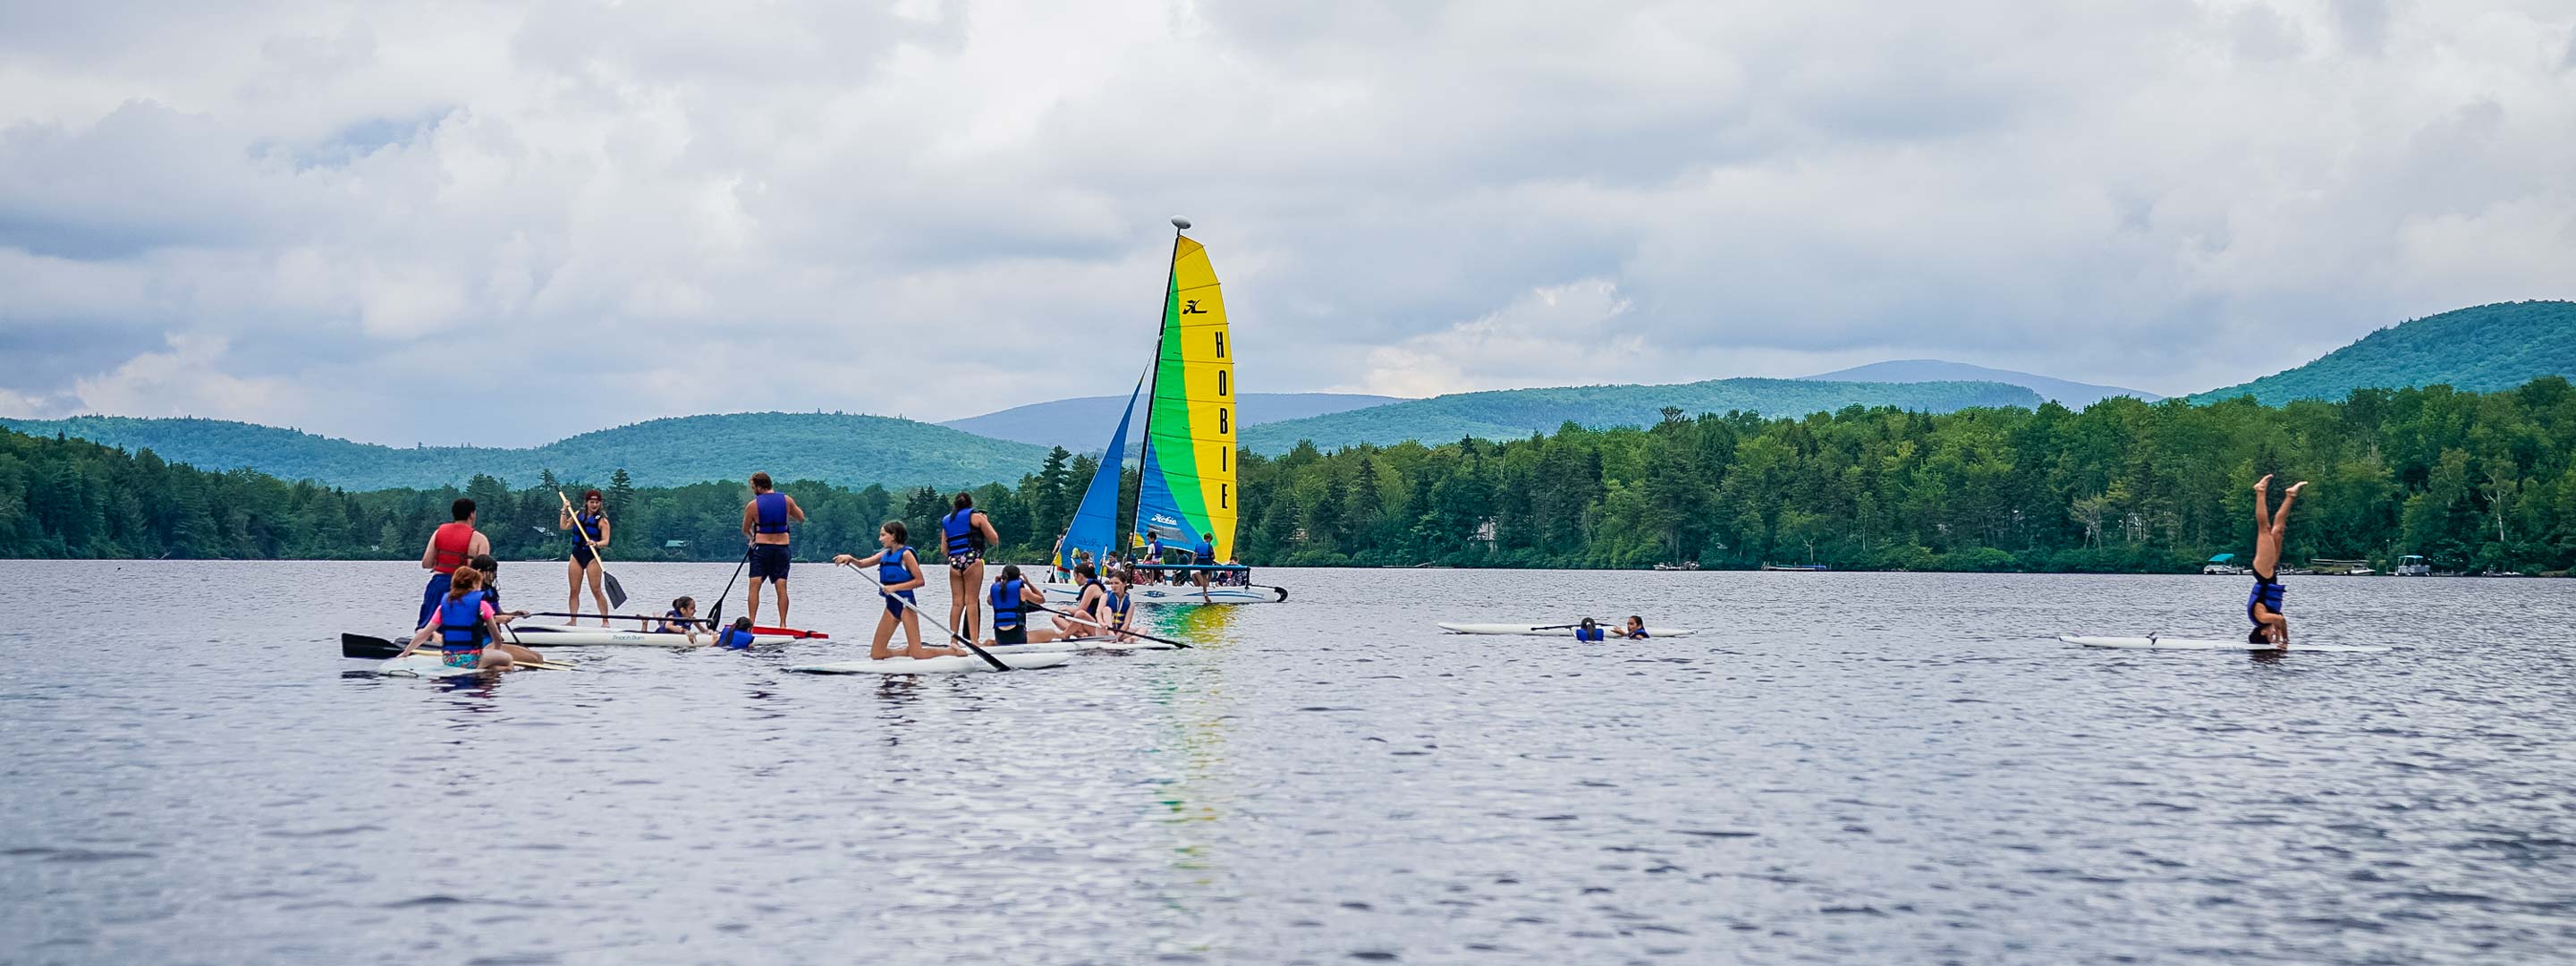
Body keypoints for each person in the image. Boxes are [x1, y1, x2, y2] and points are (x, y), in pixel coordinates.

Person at [833, 521, 959, 661]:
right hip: (891, 605)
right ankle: (906, 652)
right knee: (877, 654)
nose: (880, 539)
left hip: (906, 604)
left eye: (883, 535)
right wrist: (850, 559)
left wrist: (894, 588)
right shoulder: (884, 555)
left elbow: (920, 581)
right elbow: (862, 564)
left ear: (893, 536)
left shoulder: (906, 555)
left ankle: (951, 651)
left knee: (918, 654)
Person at [397, 566, 515, 671]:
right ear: (474, 585)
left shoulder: (444, 606)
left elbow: (423, 634)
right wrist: (497, 650)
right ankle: (490, 672)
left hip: (449, 658)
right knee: (508, 659)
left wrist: (405, 653)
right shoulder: (482, 605)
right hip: (473, 659)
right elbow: (496, 637)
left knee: (487, 659)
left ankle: (485, 668)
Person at [2248, 474, 2307, 647]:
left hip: (2263, 572)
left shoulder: (2262, 618)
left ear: (2262, 632)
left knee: (2264, 529)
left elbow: (2280, 620)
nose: (2273, 635)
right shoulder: (2265, 621)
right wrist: (2281, 641)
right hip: (2270, 572)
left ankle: (2260, 491)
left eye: (2270, 637)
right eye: (2273, 637)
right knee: (2279, 529)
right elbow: (2280, 622)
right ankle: (2291, 495)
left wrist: (2284, 641)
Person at [741, 472, 806, 628]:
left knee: (754, 585)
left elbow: (745, 529)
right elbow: (801, 518)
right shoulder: (786, 500)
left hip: (762, 549)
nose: (752, 490)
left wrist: (752, 537)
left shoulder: (753, 505)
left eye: (753, 487)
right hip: (782, 549)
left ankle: (752, 623)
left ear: (758, 486)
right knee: (781, 586)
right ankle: (783, 624)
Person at [417, 498, 492, 630]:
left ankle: (426, 639)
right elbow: (483, 576)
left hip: (438, 585)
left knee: (429, 626)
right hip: (465, 588)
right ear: (472, 514)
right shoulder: (480, 539)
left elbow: (426, 563)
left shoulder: (439, 533)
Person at [939, 492, 1003, 640]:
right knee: (971, 601)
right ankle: (974, 641)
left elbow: (943, 549)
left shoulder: (947, 520)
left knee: (956, 603)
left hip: (954, 563)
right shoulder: (976, 517)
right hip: (972, 561)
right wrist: (985, 521)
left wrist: (954, 558)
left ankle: (953, 641)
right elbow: (994, 539)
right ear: (970, 504)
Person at [463, 553, 546, 665]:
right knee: (533, 660)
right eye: (490, 571)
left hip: (494, 641)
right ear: (479, 572)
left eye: (494, 571)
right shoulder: (472, 595)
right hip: (481, 642)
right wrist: (497, 619)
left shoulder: (491, 592)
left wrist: (515, 613)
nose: (494, 575)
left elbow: (499, 613)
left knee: (538, 657)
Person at [560, 488, 614, 627]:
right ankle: (573, 620)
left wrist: (595, 543)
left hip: (592, 557)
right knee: (574, 590)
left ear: (600, 503)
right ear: (587, 502)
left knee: (596, 590)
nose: (594, 505)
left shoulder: (603, 521)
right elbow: (564, 526)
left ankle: (605, 621)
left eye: (597, 502)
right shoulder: (578, 514)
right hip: (576, 555)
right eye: (592, 502)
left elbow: (606, 541)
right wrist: (564, 510)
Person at [984, 564, 1049, 647]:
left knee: (995, 640)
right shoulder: (1022, 591)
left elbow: (989, 602)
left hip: (999, 636)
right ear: (1018, 577)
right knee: (1051, 633)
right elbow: (1041, 600)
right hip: (1018, 637)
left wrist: (996, 583)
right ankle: (1065, 635)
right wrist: (1028, 583)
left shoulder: (995, 590)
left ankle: (992, 643)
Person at [1052, 561, 1109, 640]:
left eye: (1075, 576)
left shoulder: (1092, 588)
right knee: (1056, 617)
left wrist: (1066, 608)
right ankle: (1081, 634)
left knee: (1080, 614)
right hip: (1088, 623)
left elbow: (1081, 611)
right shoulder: (1088, 586)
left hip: (1097, 626)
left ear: (1080, 576)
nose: (1074, 579)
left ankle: (1065, 635)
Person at [1190, 531, 1217, 601]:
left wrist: (1192, 563)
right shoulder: (1209, 545)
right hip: (1207, 562)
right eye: (1210, 540)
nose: (1210, 542)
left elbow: (1194, 554)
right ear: (1208, 539)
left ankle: (1206, 588)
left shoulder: (1197, 545)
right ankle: (1205, 591)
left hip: (1200, 562)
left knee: (1204, 576)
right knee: (1209, 574)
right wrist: (1212, 559)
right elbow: (1213, 556)